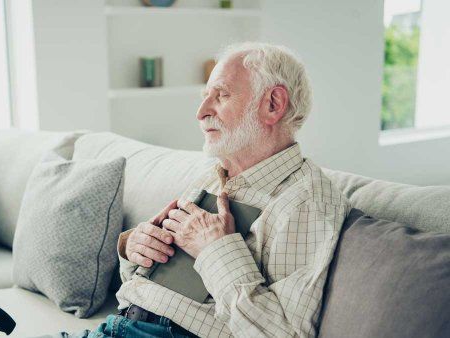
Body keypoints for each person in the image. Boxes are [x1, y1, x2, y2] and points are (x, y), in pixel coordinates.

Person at [39, 42, 350, 338]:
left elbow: (284, 334)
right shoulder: (212, 177)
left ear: (273, 104)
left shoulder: (307, 200)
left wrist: (216, 250)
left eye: (221, 95)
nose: (201, 112)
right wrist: (136, 249)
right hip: (119, 325)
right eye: (205, 96)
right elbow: (144, 283)